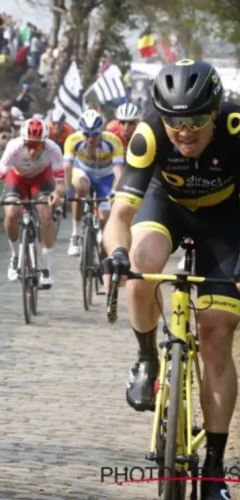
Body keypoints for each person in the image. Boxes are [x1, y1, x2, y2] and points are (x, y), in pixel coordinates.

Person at [102, 60, 240, 500]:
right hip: (167, 206)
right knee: (140, 265)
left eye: (196, 120)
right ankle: (147, 358)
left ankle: (214, 471)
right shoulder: (149, 133)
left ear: (215, 112)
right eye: (174, 121)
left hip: (226, 220)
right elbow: (120, 215)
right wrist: (117, 254)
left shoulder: (238, 127)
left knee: (217, 332)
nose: (184, 131)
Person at [0, 117, 64, 287]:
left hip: (41, 179)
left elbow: (60, 184)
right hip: (17, 179)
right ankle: (15, 256)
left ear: (44, 143)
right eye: (28, 145)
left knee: (46, 211)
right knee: (12, 212)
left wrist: (57, 194)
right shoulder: (14, 148)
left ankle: (46, 268)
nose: (32, 150)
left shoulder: (54, 150)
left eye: (37, 146)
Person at [63, 109, 124, 257]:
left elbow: (118, 171)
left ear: (101, 132)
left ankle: (104, 251)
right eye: (86, 134)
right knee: (81, 187)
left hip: (106, 176)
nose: (90, 139)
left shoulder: (113, 141)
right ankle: (76, 235)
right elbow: (67, 166)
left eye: (95, 134)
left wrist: (115, 191)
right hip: (83, 171)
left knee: (104, 217)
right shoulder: (73, 140)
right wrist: (68, 190)